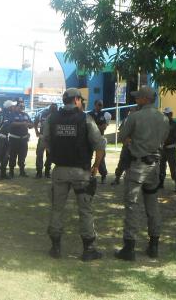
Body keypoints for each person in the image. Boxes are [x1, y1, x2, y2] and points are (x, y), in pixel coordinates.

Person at [44, 88, 105, 261]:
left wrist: (55, 153)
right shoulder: (85, 119)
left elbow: (45, 141)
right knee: (85, 210)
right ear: (77, 100)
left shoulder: (52, 118)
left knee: (56, 209)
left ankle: (55, 248)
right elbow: (100, 145)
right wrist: (96, 166)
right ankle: (88, 249)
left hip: (60, 171)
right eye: (81, 100)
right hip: (81, 171)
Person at [115, 86, 169, 261]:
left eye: (138, 97)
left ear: (145, 99)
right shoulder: (163, 118)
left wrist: (133, 141)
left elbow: (122, 135)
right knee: (152, 206)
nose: (136, 99)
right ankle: (154, 245)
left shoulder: (135, 117)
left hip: (138, 165)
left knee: (132, 205)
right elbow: (163, 139)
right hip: (154, 166)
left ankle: (129, 247)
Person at [110, 106, 138, 186]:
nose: (131, 112)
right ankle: (117, 178)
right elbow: (121, 132)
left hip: (135, 146)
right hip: (126, 146)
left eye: (133, 110)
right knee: (122, 162)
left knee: (135, 163)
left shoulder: (140, 120)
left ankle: (133, 181)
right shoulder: (126, 120)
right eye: (131, 110)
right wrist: (124, 140)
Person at [158, 107, 176, 192]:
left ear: (171, 114)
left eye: (167, 114)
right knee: (161, 166)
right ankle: (161, 183)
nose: (165, 116)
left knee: (173, 167)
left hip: (171, 148)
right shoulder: (161, 124)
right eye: (164, 114)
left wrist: (165, 141)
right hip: (162, 149)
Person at [8, 101, 33, 178]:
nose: (22, 107)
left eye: (23, 106)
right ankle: (11, 172)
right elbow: (11, 123)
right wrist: (23, 123)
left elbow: (31, 124)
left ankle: (22, 172)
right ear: (16, 107)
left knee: (23, 156)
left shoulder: (26, 115)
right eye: (20, 106)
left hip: (24, 139)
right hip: (14, 139)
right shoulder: (12, 114)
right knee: (12, 155)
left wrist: (30, 125)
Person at [87, 99, 109, 183]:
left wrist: (94, 126)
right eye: (99, 105)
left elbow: (104, 127)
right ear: (95, 105)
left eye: (102, 105)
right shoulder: (89, 114)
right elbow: (88, 127)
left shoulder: (103, 114)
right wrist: (97, 126)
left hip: (100, 138)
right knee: (88, 156)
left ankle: (103, 175)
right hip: (90, 138)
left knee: (101, 158)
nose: (101, 106)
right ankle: (88, 174)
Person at [0, 100, 14, 179]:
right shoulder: (1, 114)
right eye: (12, 106)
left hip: (5, 137)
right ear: (9, 107)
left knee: (5, 156)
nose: (14, 107)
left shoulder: (8, 114)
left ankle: (3, 174)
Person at [34, 103, 58, 178]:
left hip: (52, 139)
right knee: (39, 155)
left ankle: (47, 171)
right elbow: (35, 122)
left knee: (50, 156)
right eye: (52, 107)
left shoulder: (58, 115)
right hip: (42, 137)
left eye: (54, 108)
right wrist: (36, 131)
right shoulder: (43, 114)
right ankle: (39, 172)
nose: (53, 109)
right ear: (50, 108)